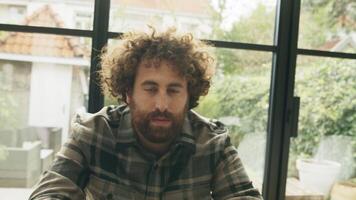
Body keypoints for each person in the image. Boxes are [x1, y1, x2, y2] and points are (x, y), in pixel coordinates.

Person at [29, 28, 263, 200]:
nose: (162, 104)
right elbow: (49, 193)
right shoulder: (93, 132)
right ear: (128, 92)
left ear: (189, 95)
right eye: (150, 89)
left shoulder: (213, 142)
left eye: (173, 90)